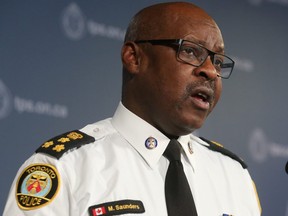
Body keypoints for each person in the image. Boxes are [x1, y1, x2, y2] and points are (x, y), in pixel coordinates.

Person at [3, 2, 262, 216]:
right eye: (191, 51)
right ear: (134, 58)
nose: (210, 71)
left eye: (217, 61)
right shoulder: (64, 169)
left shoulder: (233, 174)